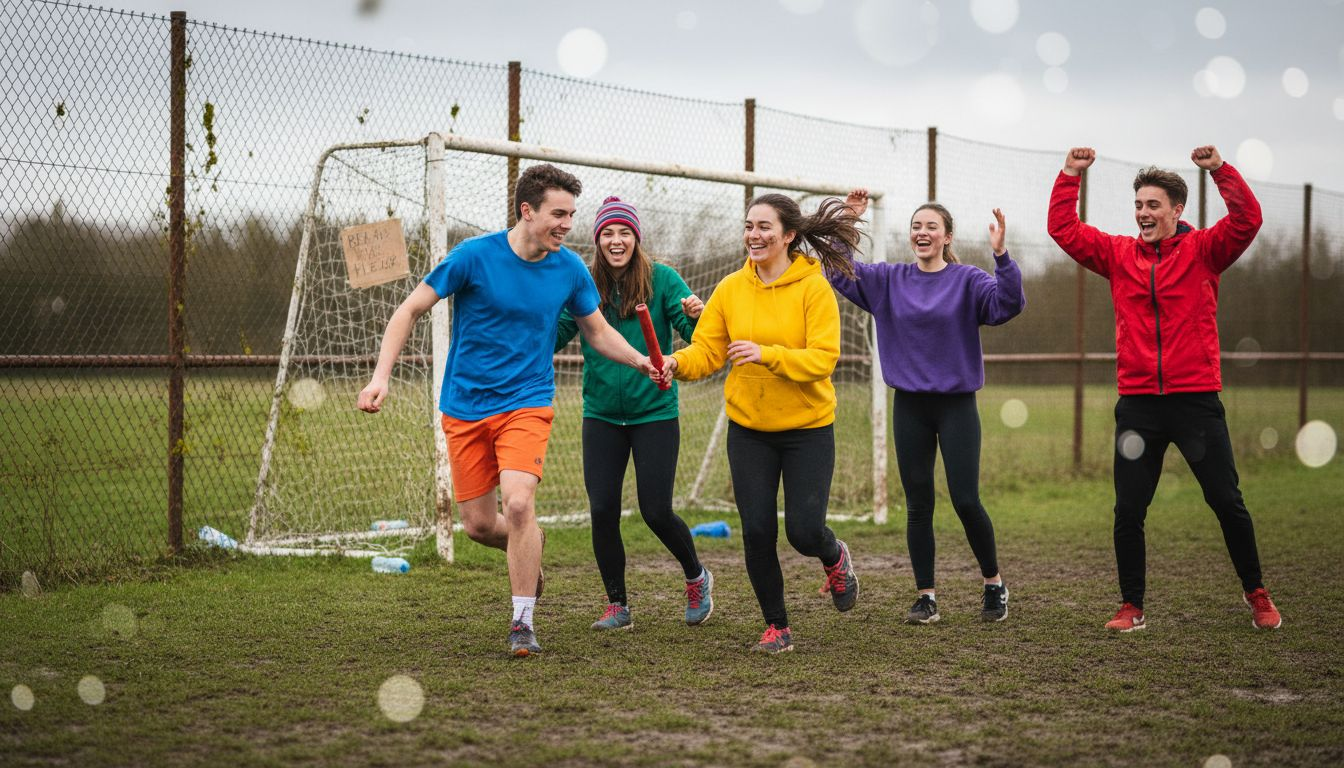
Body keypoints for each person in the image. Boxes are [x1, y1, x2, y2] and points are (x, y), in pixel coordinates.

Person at [357, 164, 657, 657]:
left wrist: (642, 362)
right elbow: (409, 309)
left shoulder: (570, 269)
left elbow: (598, 332)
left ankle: (522, 624)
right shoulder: (474, 257)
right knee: (478, 525)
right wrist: (380, 377)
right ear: (527, 210)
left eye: (571, 215)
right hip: (465, 406)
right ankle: (528, 544)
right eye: (558, 214)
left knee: (518, 503)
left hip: (527, 402)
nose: (567, 224)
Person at [1048, 145, 1282, 632]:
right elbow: (1064, 230)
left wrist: (1219, 170)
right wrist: (1070, 174)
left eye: (1153, 205)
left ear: (1177, 210)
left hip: (1195, 401)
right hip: (1138, 407)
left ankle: (1256, 593)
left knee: (1226, 501)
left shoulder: (1204, 252)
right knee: (1129, 509)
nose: (1143, 214)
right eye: (1138, 205)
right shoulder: (1118, 255)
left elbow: (1248, 218)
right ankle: (1132, 606)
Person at [654, 193, 861, 654]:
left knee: (804, 531)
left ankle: (834, 556)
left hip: (807, 428)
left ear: (788, 235)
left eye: (764, 226)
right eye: (749, 226)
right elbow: (707, 351)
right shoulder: (730, 288)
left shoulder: (813, 288)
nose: (754, 234)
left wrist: (767, 354)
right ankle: (777, 626)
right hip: (749, 429)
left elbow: (824, 358)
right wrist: (675, 363)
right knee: (758, 530)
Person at [829, 191, 1024, 625]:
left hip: (956, 406)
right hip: (910, 406)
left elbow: (1008, 305)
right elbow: (840, 271)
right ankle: (926, 597)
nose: (922, 232)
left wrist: (1002, 256)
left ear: (946, 236)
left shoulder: (969, 280)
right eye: (916, 226)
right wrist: (847, 220)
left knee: (965, 499)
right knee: (918, 504)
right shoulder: (888, 281)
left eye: (931, 226)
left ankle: (994, 585)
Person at [554, 196, 714, 631]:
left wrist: (697, 316)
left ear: (636, 238)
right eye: (607, 233)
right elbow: (557, 335)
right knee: (602, 509)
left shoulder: (662, 279)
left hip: (654, 412)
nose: (616, 240)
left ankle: (696, 577)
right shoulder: (584, 283)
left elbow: (697, 338)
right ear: (598, 240)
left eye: (624, 232)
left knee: (656, 510)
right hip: (602, 414)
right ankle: (617, 605)